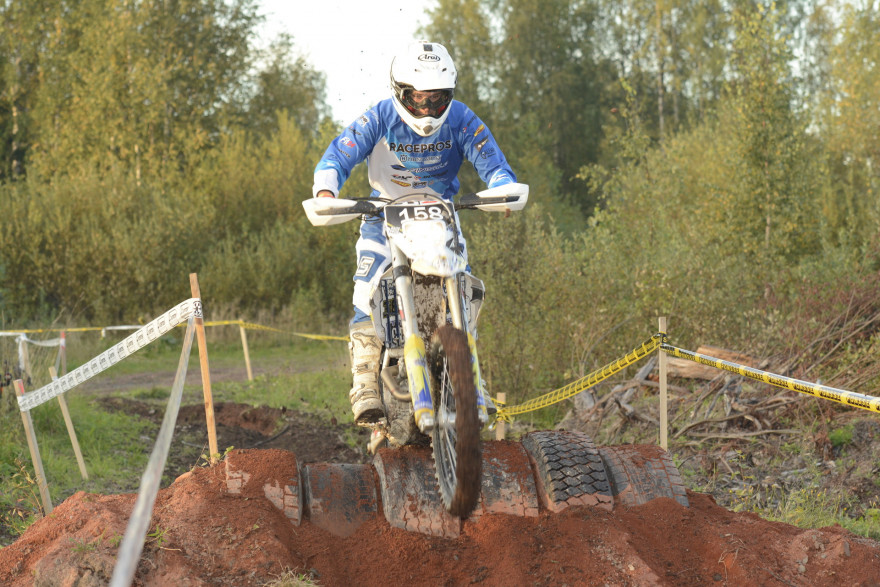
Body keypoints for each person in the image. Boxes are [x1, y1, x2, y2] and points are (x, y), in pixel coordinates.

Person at [312, 41, 519, 425]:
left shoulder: (461, 118)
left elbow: (494, 162)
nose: (427, 109)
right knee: (367, 285)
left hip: (441, 214)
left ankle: (471, 375)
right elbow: (338, 155)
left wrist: (502, 190)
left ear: (449, 95)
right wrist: (326, 190)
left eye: (436, 99)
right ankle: (365, 378)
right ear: (400, 92)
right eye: (419, 98)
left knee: (464, 285)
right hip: (383, 213)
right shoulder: (380, 116)